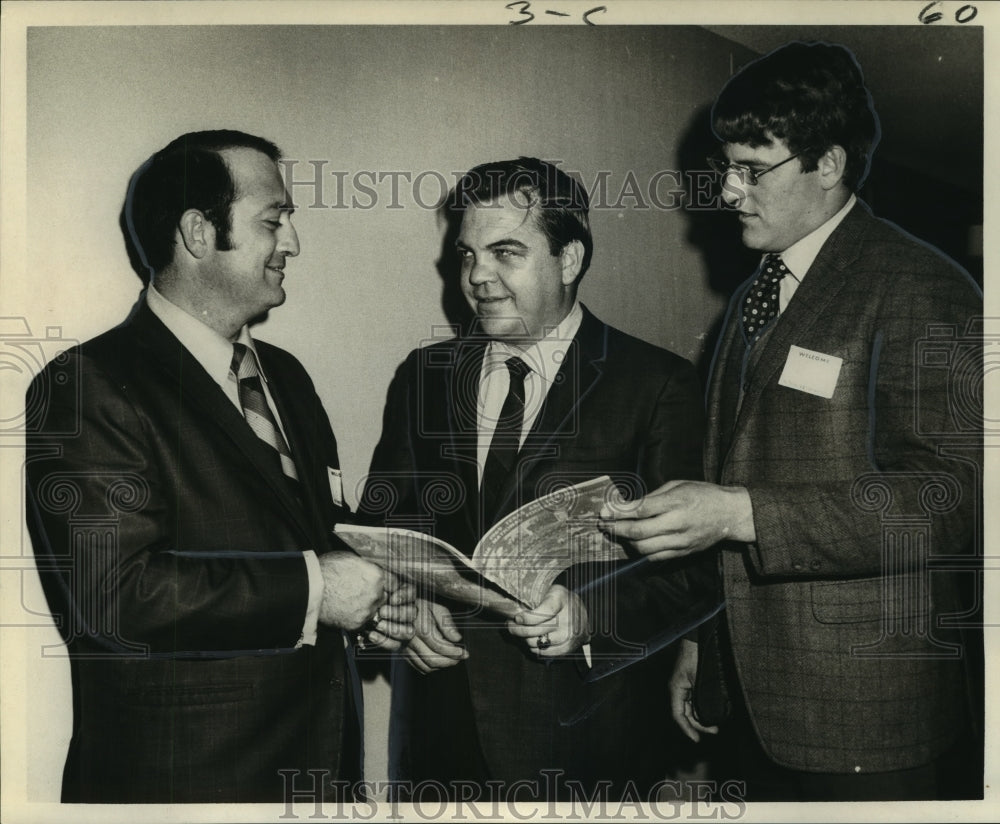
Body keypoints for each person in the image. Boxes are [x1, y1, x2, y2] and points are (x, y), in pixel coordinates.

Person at [600, 42, 983, 801]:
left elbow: (947, 501)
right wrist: (700, 650)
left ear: (829, 163)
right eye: (726, 167)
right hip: (749, 700)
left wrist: (742, 514)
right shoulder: (752, 297)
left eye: (753, 169)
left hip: (866, 718)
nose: (729, 191)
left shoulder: (920, 287)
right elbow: (730, 478)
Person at [24, 130, 415, 803]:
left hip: (322, 779)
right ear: (198, 232)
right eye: (274, 221)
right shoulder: (87, 385)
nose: (292, 245)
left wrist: (386, 590)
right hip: (185, 789)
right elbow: (112, 596)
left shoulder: (285, 377)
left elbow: (313, 532)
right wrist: (319, 588)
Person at [358, 157, 719, 801]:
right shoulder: (424, 376)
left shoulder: (656, 384)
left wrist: (588, 616)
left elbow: (692, 574)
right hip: (441, 737)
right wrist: (404, 608)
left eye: (505, 252)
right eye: (468, 254)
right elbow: (384, 527)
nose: (477, 277)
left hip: (585, 740)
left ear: (570, 257)